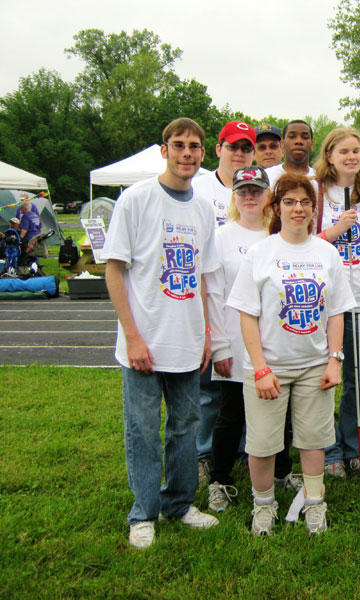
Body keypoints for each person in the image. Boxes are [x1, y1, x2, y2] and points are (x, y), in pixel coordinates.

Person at [104, 117, 220, 548]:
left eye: (194, 146)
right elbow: (114, 272)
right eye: (179, 145)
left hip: (186, 338)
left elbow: (204, 277)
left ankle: (179, 503)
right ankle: (143, 512)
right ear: (164, 150)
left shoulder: (204, 208)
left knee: (185, 426)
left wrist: (208, 332)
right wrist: (132, 335)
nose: (187, 153)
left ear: (202, 154)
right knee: (142, 429)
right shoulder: (136, 200)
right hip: (145, 341)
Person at [227, 173, 356, 536]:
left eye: (304, 203)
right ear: (276, 207)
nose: (297, 209)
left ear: (314, 210)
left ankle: (315, 504)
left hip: (315, 364)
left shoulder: (327, 253)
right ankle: (263, 505)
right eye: (289, 202)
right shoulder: (261, 253)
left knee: (314, 439)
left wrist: (335, 359)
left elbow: (335, 312)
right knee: (264, 442)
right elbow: (247, 316)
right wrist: (261, 369)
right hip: (269, 367)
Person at [315, 127, 360, 477]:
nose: (351, 156)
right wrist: (334, 231)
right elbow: (295, 240)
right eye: (343, 150)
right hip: (321, 305)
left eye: (356, 150)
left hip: (359, 300)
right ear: (329, 156)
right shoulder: (314, 194)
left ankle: (353, 446)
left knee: (357, 378)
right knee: (322, 378)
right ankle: (328, 452)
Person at [192, 120, 257, 484]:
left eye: (246, 148)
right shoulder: (200, 188)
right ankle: (205, 455)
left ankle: (249, 452)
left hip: (248, 313)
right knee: (209, 393)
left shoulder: (259, 188)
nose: (239, 153)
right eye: (233, 146)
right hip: (211, 300)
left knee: (245, 393)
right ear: (218, 149)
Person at [205, 166, 271, 512]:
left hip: (274, 343)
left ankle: (281, 472)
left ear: (267, 196)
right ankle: (220, 479)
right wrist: (219, 344)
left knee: (278, 411)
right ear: (233, 197)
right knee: (230, 415)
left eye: (256, 191)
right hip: (233, 340)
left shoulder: (277, 234)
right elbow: (213, 293)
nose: (249, 197)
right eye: (243, 191)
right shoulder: (221, 237)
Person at [265, 120, 315, 185]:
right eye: (292, 137)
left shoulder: (321, 179)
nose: (298, 141)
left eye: (305, 137)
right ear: (282, 144)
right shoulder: (267, 176)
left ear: (312, 144)